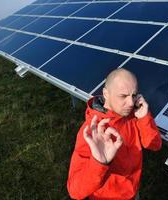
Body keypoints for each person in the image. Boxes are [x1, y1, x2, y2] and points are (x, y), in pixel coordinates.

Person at [67, 68, 162, 200]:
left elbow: (154, 145)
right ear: (106, 93)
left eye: (134, 95)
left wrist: (144, 117)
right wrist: (99, 163)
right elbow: (75, 191)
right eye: (123, 96)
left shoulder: (132, 115)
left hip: (132, 191)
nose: (130, 103)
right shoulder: (91, 132)